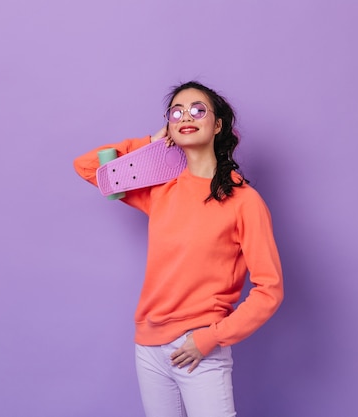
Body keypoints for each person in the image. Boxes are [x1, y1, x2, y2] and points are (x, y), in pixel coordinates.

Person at [73, 81, 283, 417]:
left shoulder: (244, 202)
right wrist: (152, 142)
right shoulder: (161, 191)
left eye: (198, 110)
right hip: (148, 345)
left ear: (217, 126)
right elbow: (88, 168)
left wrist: (209, 339)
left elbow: (269, 290)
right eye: (177, 112)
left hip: (198, 346)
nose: (187, 116)